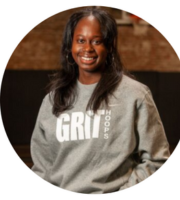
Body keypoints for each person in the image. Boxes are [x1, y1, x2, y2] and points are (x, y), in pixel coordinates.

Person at [30, 7, 170, 194]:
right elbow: (41, 169)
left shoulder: (135, 95)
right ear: (70, 45)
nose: (87, 48)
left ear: (109, 46)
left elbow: (156, 160)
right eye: (80, 40)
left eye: (97, 41)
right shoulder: (52, 100)